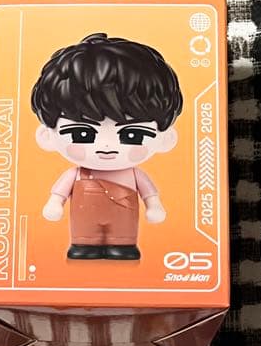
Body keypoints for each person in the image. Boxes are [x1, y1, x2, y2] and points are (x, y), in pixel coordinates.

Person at [31, 33, 183, 261]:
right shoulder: (76, 174)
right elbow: (59, 194)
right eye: (82, 133)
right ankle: (84, 245)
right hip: (83, 221)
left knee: (123, 242)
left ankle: (123, 246)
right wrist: (55, 204)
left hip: (124, 219)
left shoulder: (134, 174)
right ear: (46, 136)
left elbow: (149, 194)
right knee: (83, 241)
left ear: (166, 138)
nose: (106, 145)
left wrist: (154, 206)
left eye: (133, 134)